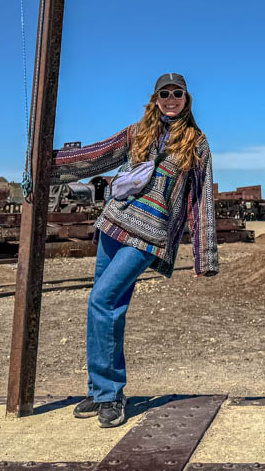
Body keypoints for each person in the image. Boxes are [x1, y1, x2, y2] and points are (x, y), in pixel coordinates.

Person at [53, 73, 218, 429]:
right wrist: (44, 162)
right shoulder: (137, 133)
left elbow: (201, 198)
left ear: (186, 99)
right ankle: (100, 390)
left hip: (149, 235)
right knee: (109, 307)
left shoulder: (196, 142)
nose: (171, 99)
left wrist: (205, 255)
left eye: (177, 93)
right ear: (155, 98)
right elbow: (96, 157)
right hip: (113, 224)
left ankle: (111, 394)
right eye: (165, 93)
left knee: (102, 300)